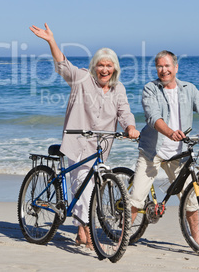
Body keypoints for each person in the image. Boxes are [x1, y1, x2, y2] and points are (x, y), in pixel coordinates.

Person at [30, 23, 139, 249]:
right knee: (84, 187)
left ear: (115, 69)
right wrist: (51, 40)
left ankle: (80, 232)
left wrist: (130, 127)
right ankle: (90, 234)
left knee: (92, 188)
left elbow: (125, 112)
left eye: (109, 65)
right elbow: (63, 65)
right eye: (101, 65)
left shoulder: (119, 89)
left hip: (100, 146)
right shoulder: (81, 78)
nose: (105, 69)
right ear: (94, 67)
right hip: (77, 143)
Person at [130, 50, 199, 250]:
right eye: (160, 66)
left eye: (167, 66)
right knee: (136, 198)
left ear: (175, 68)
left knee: (191, 202)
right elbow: (153, 117)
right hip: (153, 150)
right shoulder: (150, 89)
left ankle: (197, 241)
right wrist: (170, 132)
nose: (163, 70)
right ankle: (122, 238)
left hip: (179, 153)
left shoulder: (189, 89)